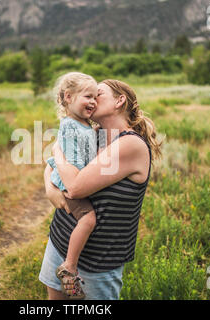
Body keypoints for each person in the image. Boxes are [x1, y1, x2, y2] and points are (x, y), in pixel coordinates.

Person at [39, 79, 162, 300]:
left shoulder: (130, 144)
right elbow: (50, 170)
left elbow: (74, 188)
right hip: (60, 241)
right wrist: (50, 190)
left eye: (98, 94)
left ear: (119, 100)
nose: (92, 100)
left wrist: (57, 151)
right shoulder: (93, 134)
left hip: (97, 262)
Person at [45, 72, 99, 299]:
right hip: (69, 183)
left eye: (96, 97)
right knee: (88, 219)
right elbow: (74, 164)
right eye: (88, 96)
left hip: (73, 177)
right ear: (68, 97)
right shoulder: (69, 126)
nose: (93, 102)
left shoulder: (84, 124)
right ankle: (69, 266)